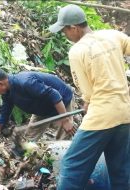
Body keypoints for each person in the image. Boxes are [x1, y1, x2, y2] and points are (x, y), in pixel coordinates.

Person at [49, 4, 130, 190]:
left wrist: (88, 102)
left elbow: (88, 92)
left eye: (64, 31)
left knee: (72, 166)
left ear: (74, 28)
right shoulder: (112, 35)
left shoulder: (77, 51)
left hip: (102, 115)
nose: (65, 35)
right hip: (125, 113)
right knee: (119, 171)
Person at [0, 67, 75, 154]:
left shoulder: (25, 82)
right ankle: (28, 162)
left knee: (64, 138)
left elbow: (55, 95)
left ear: (0, 83)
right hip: (41, 108)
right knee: (28, 141)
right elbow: (3, 117)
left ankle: (62, 165)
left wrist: (65, 120)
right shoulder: (7, 94)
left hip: (61, 102)